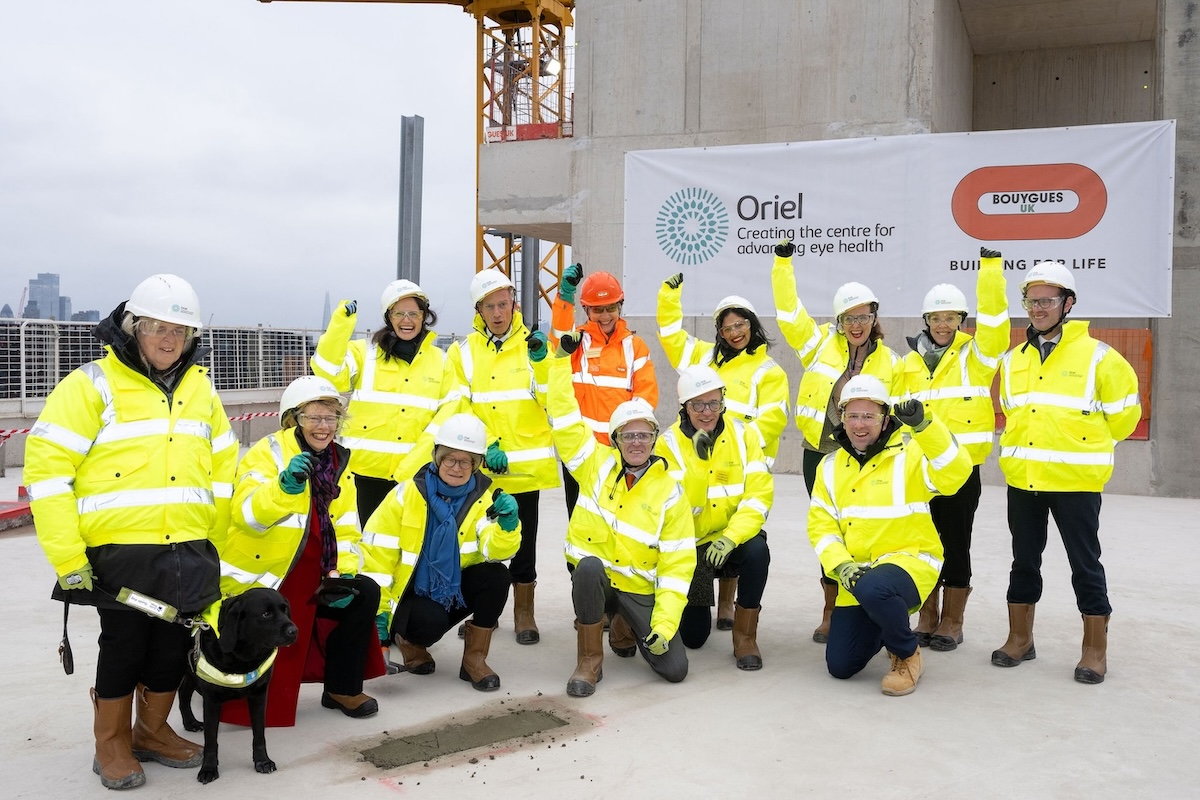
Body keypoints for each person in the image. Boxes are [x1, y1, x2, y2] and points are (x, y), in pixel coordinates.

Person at [25, 274, 237, 790]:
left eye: (180, 331)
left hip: (187, 546)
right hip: (120, 551)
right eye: (158, 327)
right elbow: (47, 473)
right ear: (133, 326)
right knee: (123, 645)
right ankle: (112, 744)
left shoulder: (199, 387)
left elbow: (224, 464)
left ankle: (152, 731)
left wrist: (216, 539)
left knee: (170, 647)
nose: (169, 340)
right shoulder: (91, 384)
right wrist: (69, 558)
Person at [991, 261, 1141, 684]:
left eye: (1046, 300)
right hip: (1025, 481)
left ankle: (1094, 649)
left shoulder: (1099, 358)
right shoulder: (1014, 360)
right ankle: (1020, 638)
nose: (1037, 309)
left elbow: (1125, 418)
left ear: (1068, 303)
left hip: (1076, 483)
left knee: (1085, 563)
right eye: (1031, 300)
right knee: (1023, 561)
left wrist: (1082, 447)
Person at [219, 376, 386, 724]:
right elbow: (247, 515)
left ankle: (342, 688)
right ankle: (248, 702)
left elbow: (347, 526)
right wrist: (285, 487)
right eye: (314, 417)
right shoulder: (269, 453)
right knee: (280, 608)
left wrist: (344, 572)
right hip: (274, 568)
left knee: (364, 592)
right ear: (294, 419)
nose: (323, 427)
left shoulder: (340, 461)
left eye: (331, 418)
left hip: (319, 566)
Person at [771, 238, 904, 644]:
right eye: (848, 318)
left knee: (868, 530)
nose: (856, 324)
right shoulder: (817, 346)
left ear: (874, 317)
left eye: (863, 316)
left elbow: (897, 414)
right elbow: (789, 312)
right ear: (838, 321)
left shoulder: (892, 361)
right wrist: (782, 264)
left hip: (871, 457)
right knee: (830, 529)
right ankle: (831, 609)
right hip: (823, 453)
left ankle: (871, 603)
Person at [548, 335, 695, 696]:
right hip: (598, 582)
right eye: (628, 436)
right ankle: (589, 662)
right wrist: (556, 364)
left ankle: (624, 624)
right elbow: (565, 418)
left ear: (654, 439)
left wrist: (662, 624)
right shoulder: (592, 463)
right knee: (587, 568)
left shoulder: (670, 490)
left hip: (638, 590)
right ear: (614, 440)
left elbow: (677, 567)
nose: (636, 443)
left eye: (644, 435)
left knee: (675, 669)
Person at [807, 375, 971, 696]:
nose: (860, 424)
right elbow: (821, 525)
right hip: (856, 577)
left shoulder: (909, 455)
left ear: (885, 419)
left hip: (910, 563)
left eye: (869, 416)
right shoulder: (829, 466)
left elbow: (956, 473)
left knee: (876, 587)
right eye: (853, 415)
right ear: (842, 418)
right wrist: (840, 566)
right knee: (841, 665)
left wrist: (925, 426)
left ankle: (906, 653)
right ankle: (886, 623)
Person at [657, 271, 788, 632]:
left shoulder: (767, 370)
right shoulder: (704, 359)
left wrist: (733, 448)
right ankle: (700, 600)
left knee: (741, 530)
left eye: (741, 324)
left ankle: (730, 609)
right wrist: (669, 296)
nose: (735, 333)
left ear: (752, 326)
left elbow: (773, 420)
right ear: (719, 331)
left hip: (742, 465)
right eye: (727, 327)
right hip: (703, 464)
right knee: (694, 635)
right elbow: (670, 337)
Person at [900, 246, 1010, 652]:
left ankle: (952, 619)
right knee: (923, 540)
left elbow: (997, 324)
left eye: (950, 317)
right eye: (935, 317)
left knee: (955, 542)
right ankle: (926, 614)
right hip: (917, 468)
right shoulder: (908, 362)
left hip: (960, 469)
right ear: (925, 320)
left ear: (962, 320)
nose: (942, 324)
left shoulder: (976, 356)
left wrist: (990, 270)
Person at [361, 413, 520, 690]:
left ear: (477, 465)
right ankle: (408, 641)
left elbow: (493, 551)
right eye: (450, 458)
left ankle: (474, 660)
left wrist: (508, 526)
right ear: (436, 457)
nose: (457, 468)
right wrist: (380, 624)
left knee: (497, 576)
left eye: (466, 461)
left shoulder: (484, 498)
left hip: (451, 588)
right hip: (406, 596)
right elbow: (377, 560)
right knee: (430, 623)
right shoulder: (406, 494)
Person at [446, 268, 559, 644]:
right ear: (478, 310)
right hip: (483, 469)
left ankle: (524, 614)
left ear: (514, 303)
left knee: (523, 544)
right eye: (489, 306)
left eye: (503, 304)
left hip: (524, 468)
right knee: (480, 543)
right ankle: (486, 614)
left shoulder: (535, 347)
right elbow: (461, 406)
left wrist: (544, 362)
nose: (498, 313)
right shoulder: (463, 353)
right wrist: (488, 442)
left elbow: (551, 398)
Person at [310, 280, 459, 526]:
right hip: (364, 474)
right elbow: (326, 374)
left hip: (415, 476)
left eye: (414, 313)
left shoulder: (442, 362)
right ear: (388, 317)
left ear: (425, 316)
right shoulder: (364, 353)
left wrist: (414, 465)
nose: (406, 320)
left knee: (406, 551)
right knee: (366, 548)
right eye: (399, 313)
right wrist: (339, 327)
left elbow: (448, 415)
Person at [656, 366, 772, 670]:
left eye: (714, 403)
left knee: (758, 551)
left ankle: (745, 637)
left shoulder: (744, 435)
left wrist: (730, 537)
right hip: (690, 546)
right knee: (694, 637)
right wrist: (698, 465)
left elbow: (758, 497)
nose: (707, 412)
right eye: (698, 405)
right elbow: (675, 511)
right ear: (684, 407)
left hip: (731, 537)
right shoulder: (666, 445)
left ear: (723, 401)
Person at [550, 263, 658, 517]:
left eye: (611, 307)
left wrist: (629, 442)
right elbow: (557, 341)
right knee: (580, 524)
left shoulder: (635, 346)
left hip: (620, 452)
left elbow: (645, 396)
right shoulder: (576, 342)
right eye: (598, 310)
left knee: (621, 522)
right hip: (581, 454)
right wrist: (565, 298)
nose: (606, 315)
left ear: (620, 306)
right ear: (586, 309)